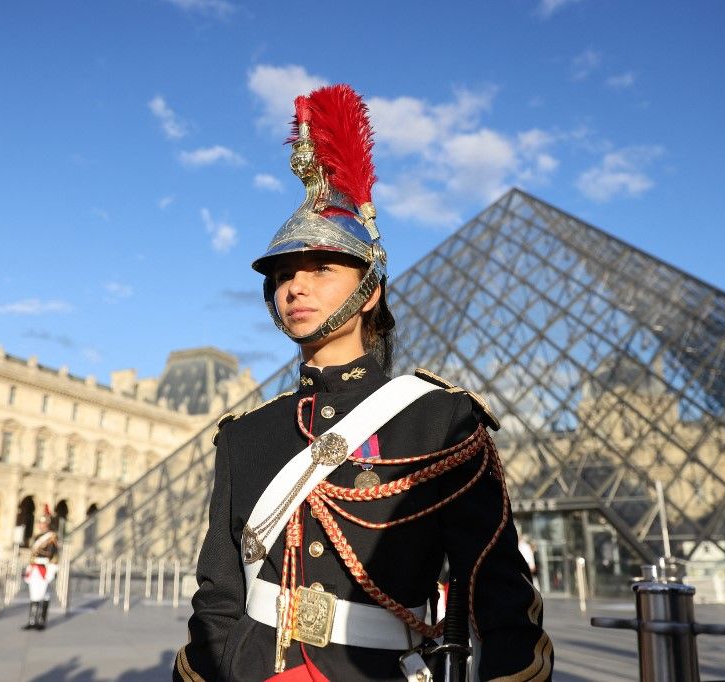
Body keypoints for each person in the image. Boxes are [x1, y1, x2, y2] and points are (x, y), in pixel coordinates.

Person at [175, 84, 552, 681]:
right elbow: (217, 601)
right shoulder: (246, 435)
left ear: (368, 289)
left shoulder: (439, 421)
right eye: (282, 275)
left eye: (321, 268)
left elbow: (503, 606)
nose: (294, 287)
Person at [22, 504, 60, 631]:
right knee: (34, 594)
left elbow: (53, 554)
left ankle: (41, 621)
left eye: (42, 523)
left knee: (44, 594)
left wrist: (52, 569)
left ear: (47, 524)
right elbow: (34, 553)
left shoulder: (52, 536)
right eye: (39, 523)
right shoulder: (37, 537)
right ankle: (32, 620)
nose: (40, 525)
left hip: (44, 567)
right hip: (35, 567)